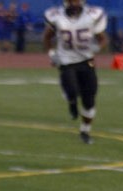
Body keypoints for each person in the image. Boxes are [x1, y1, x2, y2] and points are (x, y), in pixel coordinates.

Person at [43, 0, 108, 145]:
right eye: (71, 1)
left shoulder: (92, 15)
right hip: (66, 61)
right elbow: (47, 37)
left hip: (86, 61)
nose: (74, 3)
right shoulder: (56, 16)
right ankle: (72, 101)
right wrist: (52, 53)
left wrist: (97, 48)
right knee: (72, 90)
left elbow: (102, 38)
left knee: (89, 100)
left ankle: (85, 130)